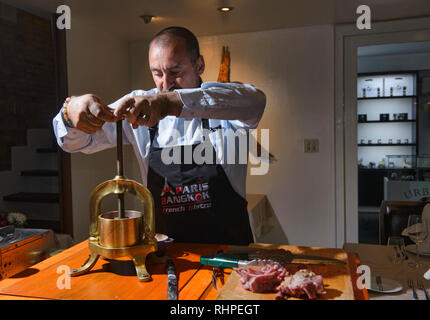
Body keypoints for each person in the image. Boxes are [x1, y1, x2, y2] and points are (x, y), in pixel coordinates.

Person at [53, 26, 266, 245]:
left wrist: (167, 104)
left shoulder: (223, 104)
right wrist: (72, 111)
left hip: (231, 252)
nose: (165, 84)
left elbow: (256, 101)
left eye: (175, 72)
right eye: (157, 73)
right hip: (168, 255)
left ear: (199, 65)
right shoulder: (138, 105)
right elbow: (76, 143)